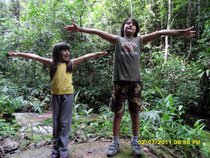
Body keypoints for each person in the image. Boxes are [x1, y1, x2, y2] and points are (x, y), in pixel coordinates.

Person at [65, 18, 196, 157]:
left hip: (135, 83)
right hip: (119, 82)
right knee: (118, 113)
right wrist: (80, 29)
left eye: (133, 24)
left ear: (136, 29)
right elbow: (98, 32)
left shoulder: (139, 40)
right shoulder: (117, 40)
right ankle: (115, 143)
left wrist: (181, 32)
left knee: (135, 113)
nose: (130, 25)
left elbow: (160, 33)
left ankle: (135, 142)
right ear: (123, 27)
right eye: (128, 23)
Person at [8, 42, 108, 158]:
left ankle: (64, 149)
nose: (67, 53)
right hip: (55, 96)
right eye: (64, 50)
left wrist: (98, 53)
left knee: (65, 123)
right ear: (57, 53)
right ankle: (55, 149)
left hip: (68, 95)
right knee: (56, 123)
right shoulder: (52, 63)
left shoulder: (71, 63)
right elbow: (34, 57)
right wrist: (18, 54)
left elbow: (85, 57)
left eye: (68, 50)